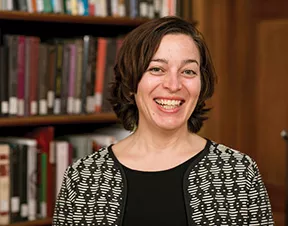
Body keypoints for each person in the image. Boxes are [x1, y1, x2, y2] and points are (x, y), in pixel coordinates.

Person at [52, 16, 274, 225]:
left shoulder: (237, 172)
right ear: (131, 84)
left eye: (188, 71)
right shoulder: (85, 176)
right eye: (157, 69)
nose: (174, 84)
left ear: (201, 85)